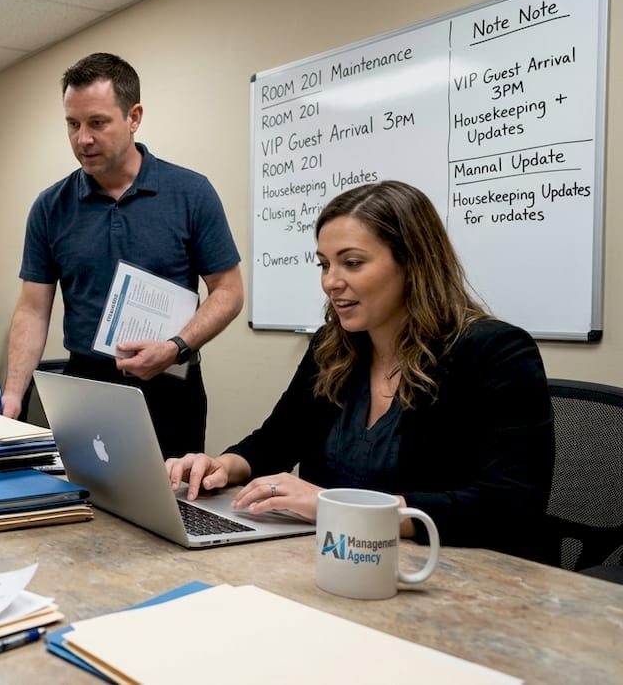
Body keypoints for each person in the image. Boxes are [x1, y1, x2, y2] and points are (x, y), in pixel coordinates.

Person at [167, 180, 554, 560]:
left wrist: (341, 507)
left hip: (453, 573)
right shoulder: (331, 348)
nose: (331, 282)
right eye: (324, 265)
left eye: (352, 263)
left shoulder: (495, 352)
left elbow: (509, 504)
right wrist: (222, 466)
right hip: (340, 560)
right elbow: (276, 441)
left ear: (411, 262)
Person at [0, 52, 243, 457]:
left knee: (171, 510)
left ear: (134, 117)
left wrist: (176, 346)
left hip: (169, 386)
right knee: (85, 506)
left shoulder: (192, 193)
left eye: (97, 123)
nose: (82, 139)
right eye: (72, 124)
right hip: (87, 388)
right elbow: (34, 309)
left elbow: (229, 292)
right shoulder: (50, 207)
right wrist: (15, 395)